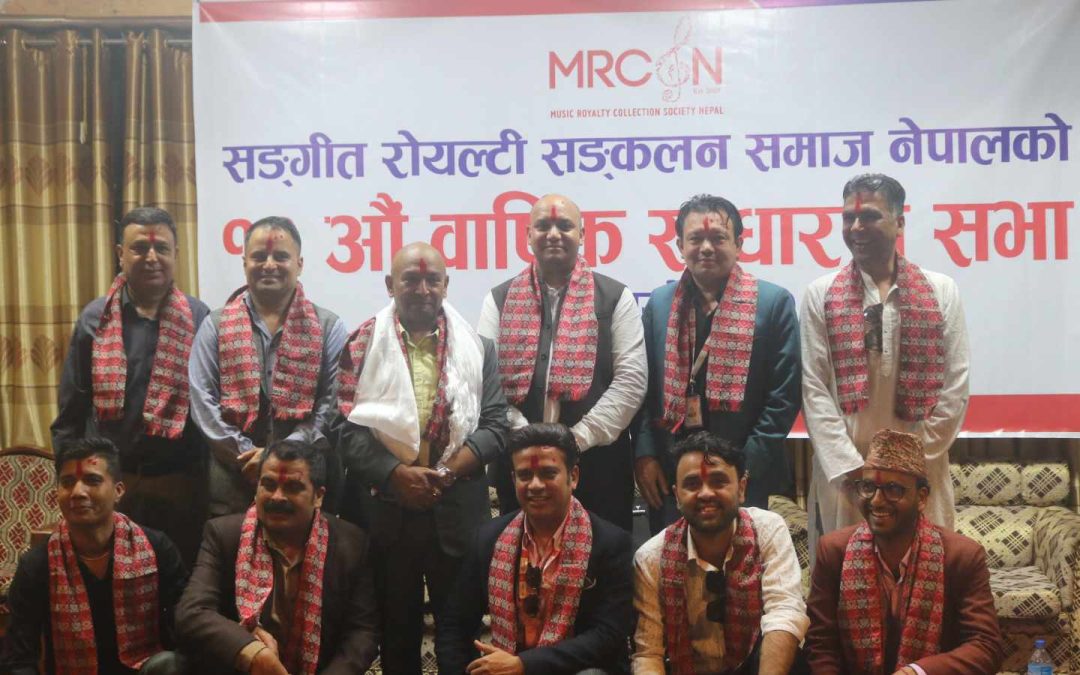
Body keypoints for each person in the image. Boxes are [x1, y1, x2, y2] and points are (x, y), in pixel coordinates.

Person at [335, 242, 510, 674]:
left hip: (456, 511)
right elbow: (345, 430)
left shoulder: (479, 348)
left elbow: (495, 427)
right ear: (390, 284)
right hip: (385, 512)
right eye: (411, 279)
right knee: (396, 636)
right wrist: (396, 474)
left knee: (459, 637)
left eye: (433, 280)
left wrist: (444, 473)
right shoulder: (361, 345)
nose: (423, 289)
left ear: (446, 285)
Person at [801, 174, 969, 558]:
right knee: (846, 579)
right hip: (847, 480)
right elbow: (814, 388)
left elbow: (955, 386)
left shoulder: (941, 290)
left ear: (900, 222)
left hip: (920, 472)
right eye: (848, 218)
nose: (856, 227)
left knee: (923, 577)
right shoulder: (820, 294)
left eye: (870, 216)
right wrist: (852, 470)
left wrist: (908, 465)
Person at [478, 193, 646, 531]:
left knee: (603, 557)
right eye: (543, 226)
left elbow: (631, 381)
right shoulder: (499, 299)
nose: (553, 234)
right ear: (528, 235)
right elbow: (485, 381)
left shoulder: (615, 297)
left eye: (564, 226)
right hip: (521, 469)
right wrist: (526, 437)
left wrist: (576, 440)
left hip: (599, 469)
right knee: (521, 556)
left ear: (582, 235)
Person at [52, 206, 210, 565]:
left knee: (178, 579)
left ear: (176, 254)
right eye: (139, 248)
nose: (151, 257)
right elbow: (71, 411)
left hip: (180, 484)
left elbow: (209, 406)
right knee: (113, 578)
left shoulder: (200, 318)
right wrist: (74, 484)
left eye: (162, 248)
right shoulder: (95, 318)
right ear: (120, 253)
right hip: (110, 488)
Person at [635, 194, 801, 532]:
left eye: (718, 238)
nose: (706, 248)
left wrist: (739, 470)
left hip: (749, 477)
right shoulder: (660, 304)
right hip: (671, 476)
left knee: (744, 560)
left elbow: (783, 399)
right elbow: (642, 390)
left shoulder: (773, 304)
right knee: (674, 561)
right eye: (696, 238)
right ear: (680, 245)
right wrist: (645, 455)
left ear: (739, 244)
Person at [437, 423, 634, 674]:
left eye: (548, 474)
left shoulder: (611, 544)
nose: (535, 485)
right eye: (525, 475)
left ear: (573, 477)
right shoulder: (488, 540)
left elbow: (608, 636)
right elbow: (454, 625)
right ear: (513, 479)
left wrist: (525, 665)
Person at [805, 429, 1002, 673]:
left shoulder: (962, 556)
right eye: (868, 487)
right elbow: (820, 645)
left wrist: (917, 672)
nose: (877, 500)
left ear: (922, 498)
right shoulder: (835, 551)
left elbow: (985, 646)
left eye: (893, 489)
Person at [174, 439, 379, 674]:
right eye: (268, 485)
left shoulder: (351, 544)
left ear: (318, 496)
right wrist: (251, 651)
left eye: (293, 487)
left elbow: (362, 633)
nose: (277, 497)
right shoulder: (224, 535)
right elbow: (192, 612)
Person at [189, 216, 347, 517]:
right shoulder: (215, 325)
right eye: (259, 256)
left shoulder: (329, 326)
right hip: (234, 481)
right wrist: (245, 454)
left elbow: (332, 404)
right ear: (244, 262)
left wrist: (279, 456)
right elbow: (202, 401)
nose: (269, 264)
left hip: (307, 487)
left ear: (299, 264)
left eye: (281, 256)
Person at [1, 438, 188, 675]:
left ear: (118, 491)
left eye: (92, 480)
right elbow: (18, 657)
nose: (77, 492)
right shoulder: (38, 564)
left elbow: (186, 626)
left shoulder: (157, 548)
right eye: (67, 482)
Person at [632, 431, 808, 675]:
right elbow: (648, 653)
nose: (706, 493)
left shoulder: (768, 529)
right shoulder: (651, 558)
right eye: (692, 484)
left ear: (742, 488)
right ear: (677, 496)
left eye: (718, 481)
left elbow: (784, 613)